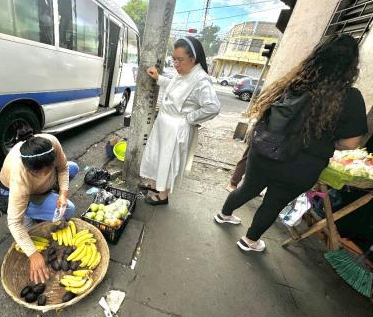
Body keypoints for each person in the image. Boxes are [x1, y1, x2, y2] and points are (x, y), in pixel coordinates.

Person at [214, 34, 369, 252]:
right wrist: (330, 142)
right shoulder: (350, 98)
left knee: (247, 188)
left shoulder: (295, 83)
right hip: (301, 166)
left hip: (266, 151)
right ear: (352, 65)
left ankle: (224, 215)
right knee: (273, 203)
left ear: (318, 56)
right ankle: (249, 241)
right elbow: (351, 143)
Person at [139, 36, 221, 205]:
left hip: (176, 127)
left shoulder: (200, 80)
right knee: (157, 155)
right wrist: (159, 78)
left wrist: (189, 118)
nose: (176, 64)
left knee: (167, 161)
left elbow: (213, 107)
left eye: (180, 60)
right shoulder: (183, 73)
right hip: (164, 123)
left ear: (193, 58)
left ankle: (163, 196)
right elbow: (175, 86)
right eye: (174, 59)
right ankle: (155, 185)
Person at [0, 130, 79, 283]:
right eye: (38, 173)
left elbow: (63, 168)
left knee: (73, 167)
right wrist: (34, 255)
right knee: (69, 210)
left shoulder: (52, 143)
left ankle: (47, 198)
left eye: (48, 170)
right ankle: (29, 214)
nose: (44, 175)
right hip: (17, 195)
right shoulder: (19, 177)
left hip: (40, 188)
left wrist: (63, 193)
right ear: (29, 169)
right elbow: (14, 222)